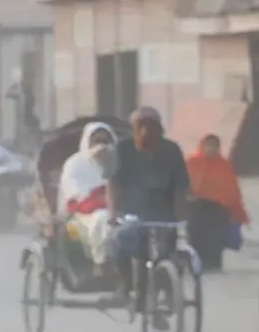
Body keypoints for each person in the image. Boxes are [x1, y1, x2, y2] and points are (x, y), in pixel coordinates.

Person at [109, 107, 190, 317]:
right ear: (133, 130)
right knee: (121, 239)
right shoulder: (123, 149)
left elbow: (180, 187)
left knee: (169, 252)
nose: (145, 132)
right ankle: (126, 285)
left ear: (159, 129)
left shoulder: (172, 150)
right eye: (140, 127)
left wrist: (181, 218)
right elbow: (114, 183)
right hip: (132, 212)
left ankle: (167, 289)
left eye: (150, 127)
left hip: (163, 212)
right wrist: (113, 212)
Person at [58, 122, 118, 272]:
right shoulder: (75, 164)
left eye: (106, 141)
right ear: (88, 142)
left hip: (117, 209)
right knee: (102, 218)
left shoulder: (119, 163)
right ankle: (101, 262)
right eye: (97, 141)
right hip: (83, 215)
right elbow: (76, 197)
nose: (102, 146)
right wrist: (101, 198)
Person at [186, 133, 249, 272]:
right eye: (209, 145)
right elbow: (184, 185)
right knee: (196, 238)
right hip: (196, 207)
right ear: (203, 145)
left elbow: (232, 190)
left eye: (215, 146)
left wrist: (240, 213)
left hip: (218, 210)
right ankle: (195, 264)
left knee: (215, 240)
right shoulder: (192, 162)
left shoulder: (224, 165)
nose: (212, 149)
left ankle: (213, 264)